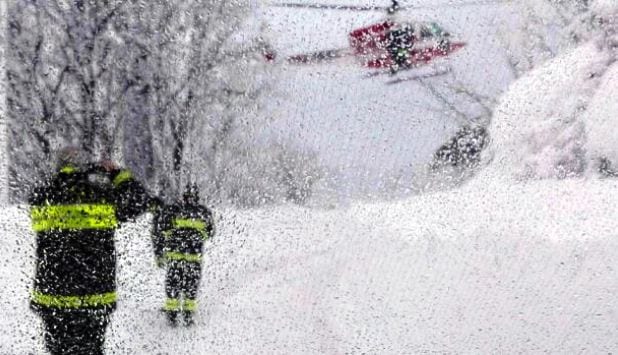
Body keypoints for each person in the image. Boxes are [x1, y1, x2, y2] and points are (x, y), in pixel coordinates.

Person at [29, 147, 156, 355]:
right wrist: (116, 174)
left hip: (53, 298)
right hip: (95, 295)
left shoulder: (43, 195)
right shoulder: (100, 195)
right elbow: (138, 201)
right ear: (84, 167)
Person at [152, 183, 214, 326]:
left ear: (184, 196)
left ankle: (172, 316)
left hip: (175, 258)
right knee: (190, 288)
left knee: (173, 287)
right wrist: (196, 237)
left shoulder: (174, 210)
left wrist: (161, 252)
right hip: (194, 259)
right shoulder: (203, 212)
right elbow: (210, 232)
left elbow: (163, 229)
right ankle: (187, 316)